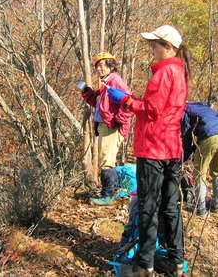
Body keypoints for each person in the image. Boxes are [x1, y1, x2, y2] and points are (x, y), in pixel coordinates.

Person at [108, 25, 191, 277]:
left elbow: (152, 109)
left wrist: (124, 99)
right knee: (170, 206)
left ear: (167, 47)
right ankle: (176, 262)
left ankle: (143, 266)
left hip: (154, 148)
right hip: (171, 148)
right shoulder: (180, 72)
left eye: (155, 44)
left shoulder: (165, 72)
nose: (151, 49)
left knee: (148, 206)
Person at [81, 52, 132, 206]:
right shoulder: (105, 83)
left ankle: (108, 195)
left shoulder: (115, 80)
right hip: (104, 126)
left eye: (103, 65)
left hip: (112, 127)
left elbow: (128, 102)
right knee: (105, 159)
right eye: (97, 66)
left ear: (111, 65)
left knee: (106, 160)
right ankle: (110, 191)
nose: (99, 68)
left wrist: (118, 121)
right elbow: (99, 104)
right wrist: (87, 92)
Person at [181, 102, 218, 217]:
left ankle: (201, 208)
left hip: (208, 136)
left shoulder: (184, 110)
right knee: (217, 171)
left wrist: (185, 156)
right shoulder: (201, 107)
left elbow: (186, 134)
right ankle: (216, 205)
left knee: (199, 173)